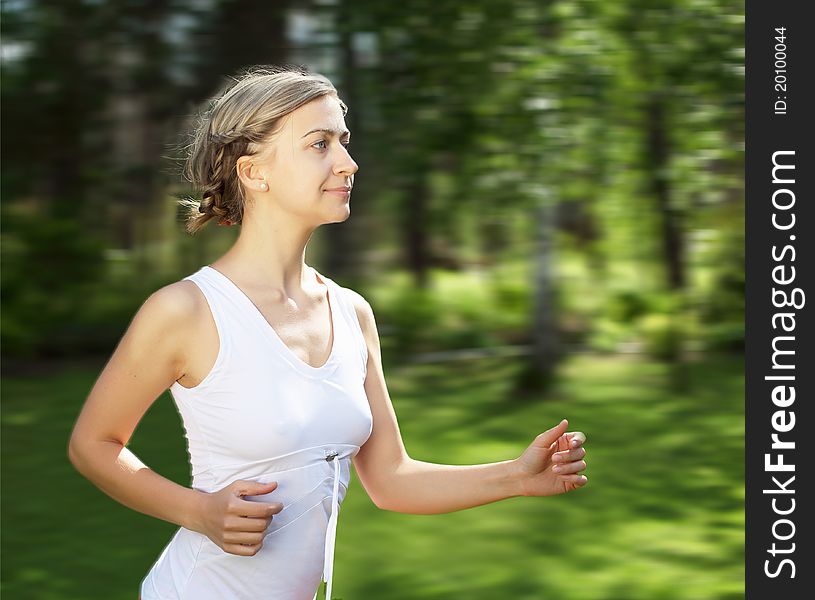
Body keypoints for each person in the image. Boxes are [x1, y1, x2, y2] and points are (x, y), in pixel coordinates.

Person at [67, 66, 588, 600]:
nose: (348, 162)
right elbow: (93, 444)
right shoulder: (187, 310)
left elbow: (390, 479)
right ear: (253, 172)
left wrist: (516, 477)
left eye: (344, 141)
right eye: (319, 144)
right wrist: (198, 510)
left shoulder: (351, 312)